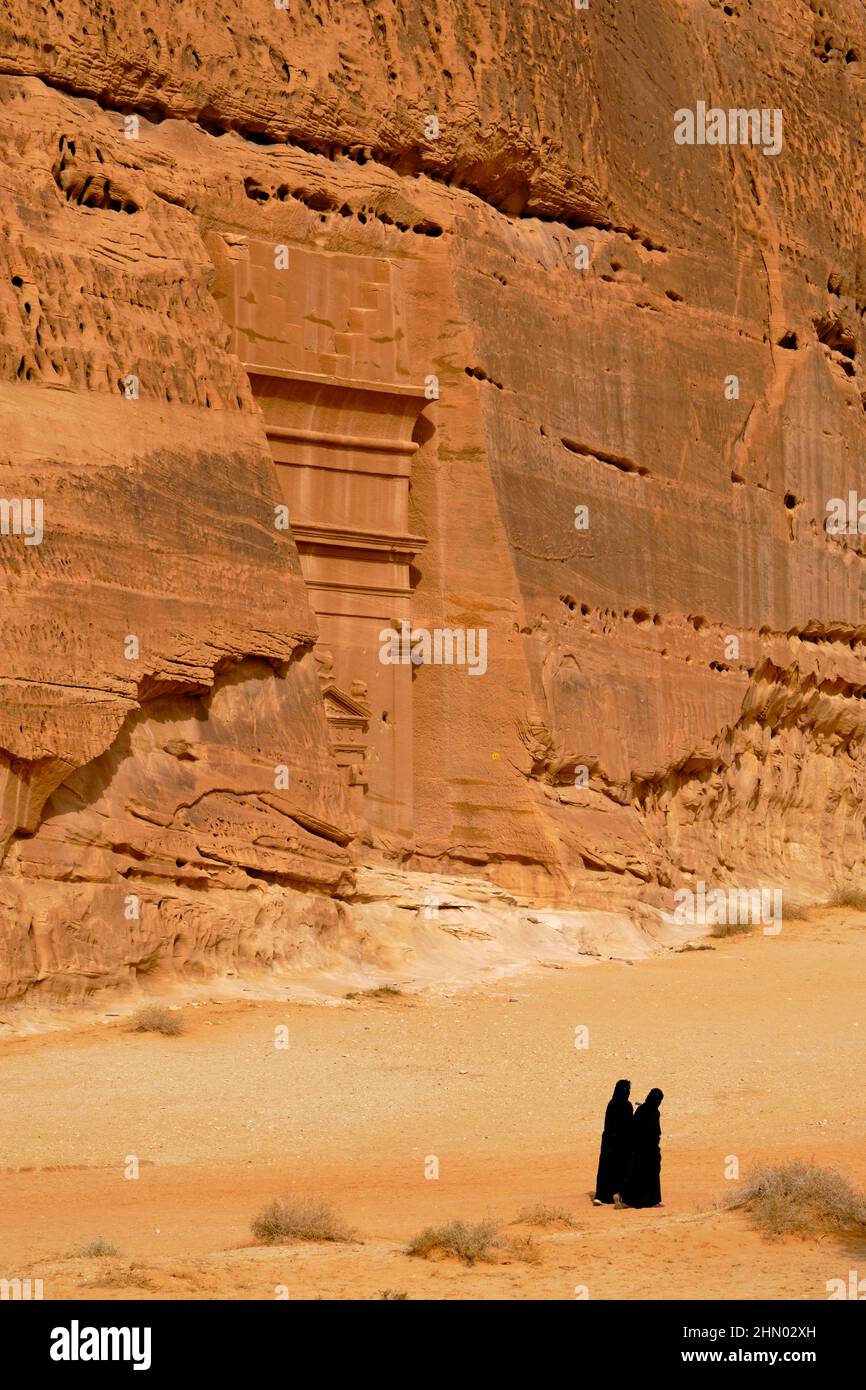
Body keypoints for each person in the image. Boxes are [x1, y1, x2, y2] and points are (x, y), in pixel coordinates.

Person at [621, 1088, 664, 1208]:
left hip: (638, 1149)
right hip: (650, 1150)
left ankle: (629, 1198)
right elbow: (656, 1132)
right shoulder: (655, 1112)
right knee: (652, 1173)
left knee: (637, 1173)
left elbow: (633, 1128)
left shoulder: (641, 1110)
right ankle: (652, 1200)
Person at [593, 1079, 633, 1204]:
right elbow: (629, 1125)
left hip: (609, 1143)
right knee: (621, 1168)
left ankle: (601, 1196)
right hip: (622, 1144)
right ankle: (617, 1195)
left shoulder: (611, 1104)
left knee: (606, 1168)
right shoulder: (627, 1106)